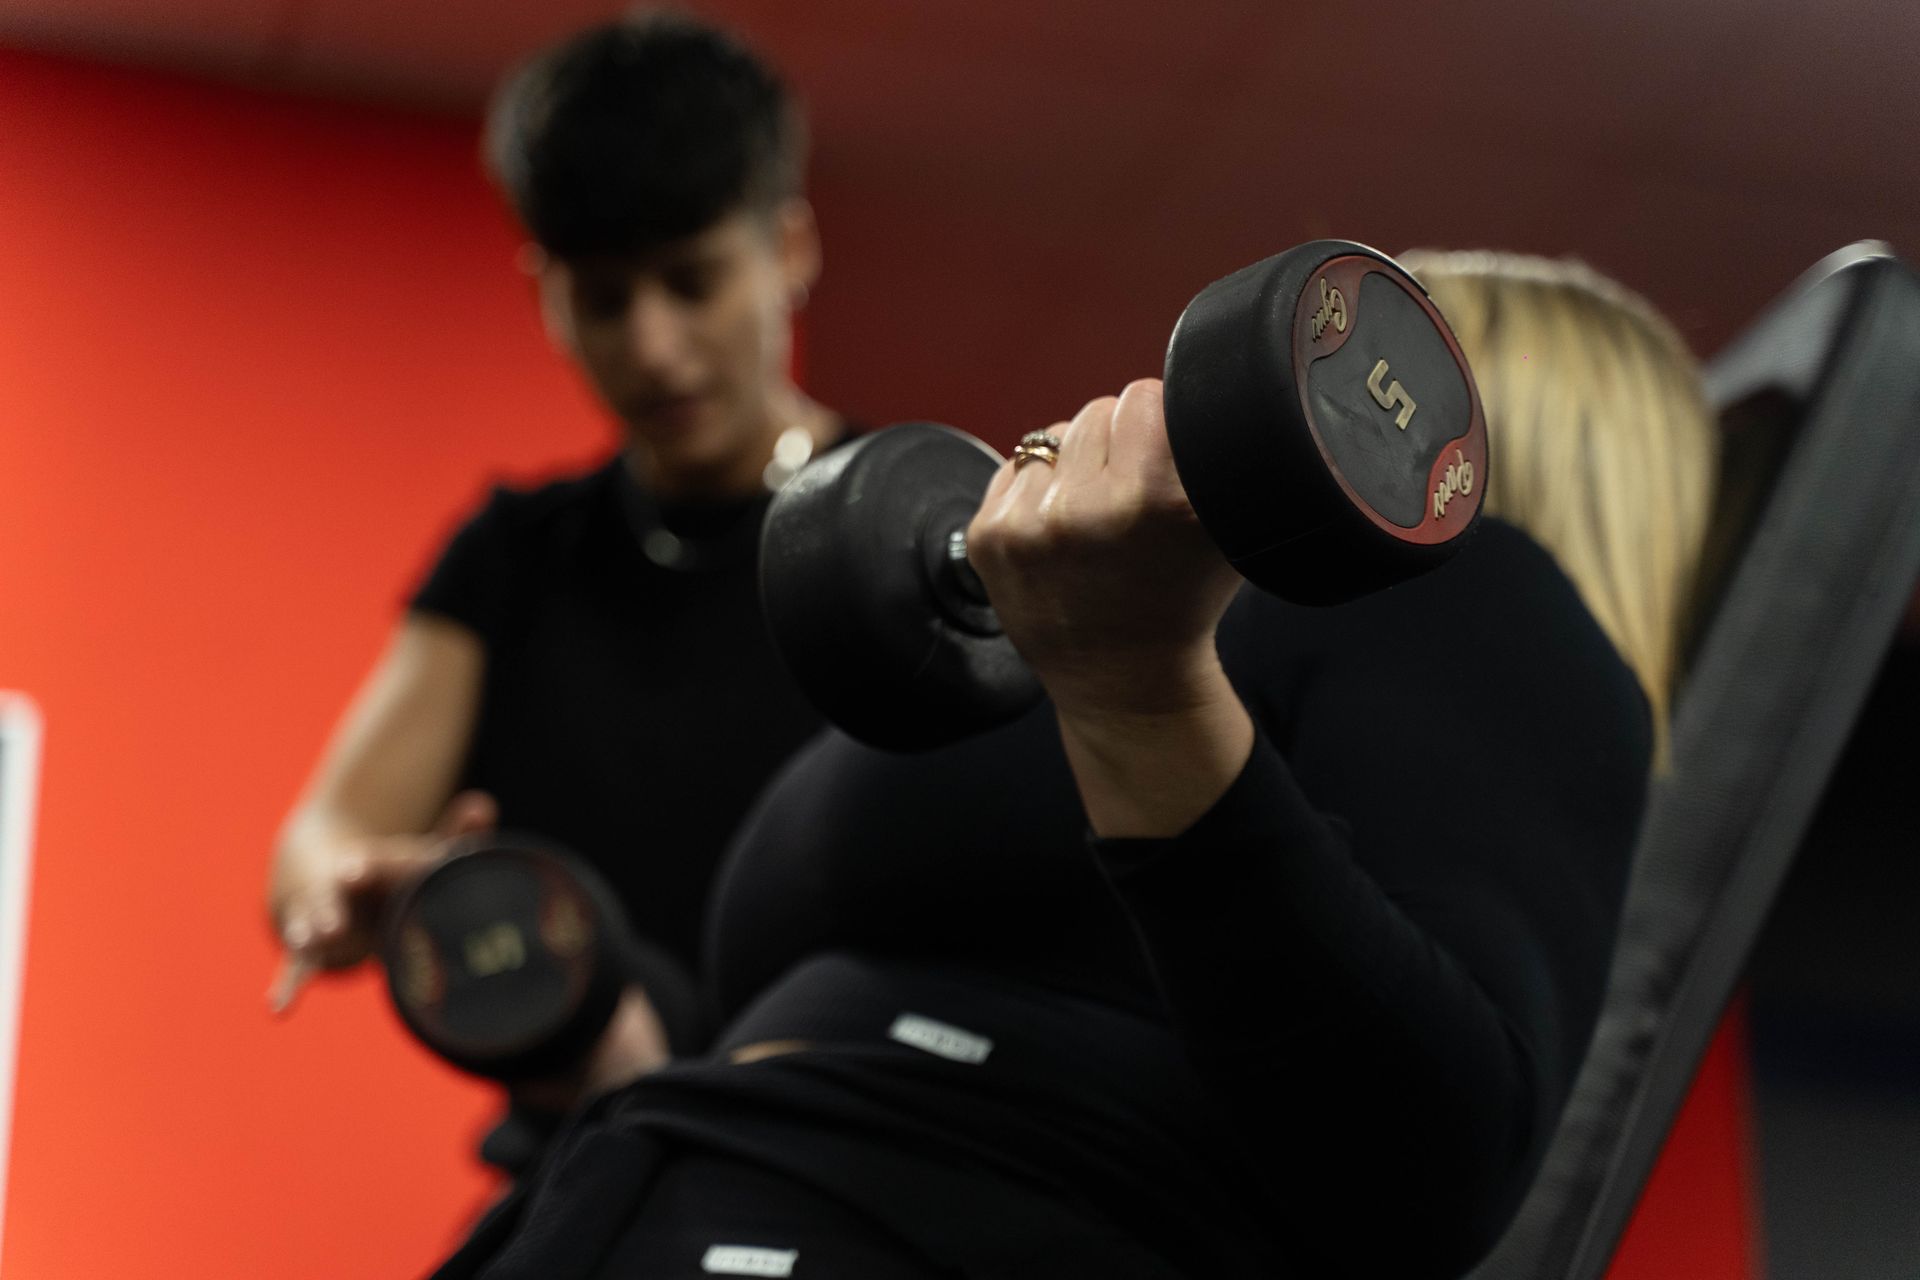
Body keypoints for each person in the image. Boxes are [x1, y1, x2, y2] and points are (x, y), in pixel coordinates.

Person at [431, 254, 1719, 1278]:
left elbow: (1428, 1168)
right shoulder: (1081, 653)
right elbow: (782, 1037)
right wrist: (584, 1025)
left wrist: (1136, 688)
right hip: (623, 1197)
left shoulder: (1480, 600)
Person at [264, 13, 849, 1166]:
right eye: (604, 300)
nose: (656, 346)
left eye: (694, 281)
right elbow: (318, 839)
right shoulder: (516, 556)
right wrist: (351, 887)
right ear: (545, 294)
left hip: (839, 1162)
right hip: (592, 1158)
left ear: (788, 249)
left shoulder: (915, 526)